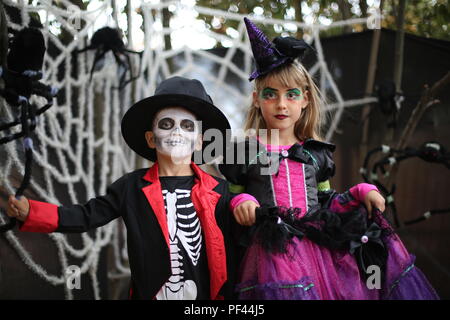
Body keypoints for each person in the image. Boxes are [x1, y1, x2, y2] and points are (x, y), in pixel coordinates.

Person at [218, 17, 439, 300]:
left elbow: (325, 202)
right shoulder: (244, 152)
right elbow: (228, 201)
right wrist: (241, 200)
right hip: (269, 256)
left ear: (305, 100)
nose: (281, 104)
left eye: (291, 94)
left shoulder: (315, 153)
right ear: (256, 99)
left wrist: (360, 191)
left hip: (317, 253)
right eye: (270, 95)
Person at [5, 76, 237, 300]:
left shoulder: (219, 190)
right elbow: (87, 215)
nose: (177, 132)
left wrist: (248, 202)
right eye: (167, 124)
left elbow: (238, 241)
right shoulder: (131, 187)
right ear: (150, 138)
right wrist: (32, 212)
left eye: (187, 126)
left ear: (199, 141)